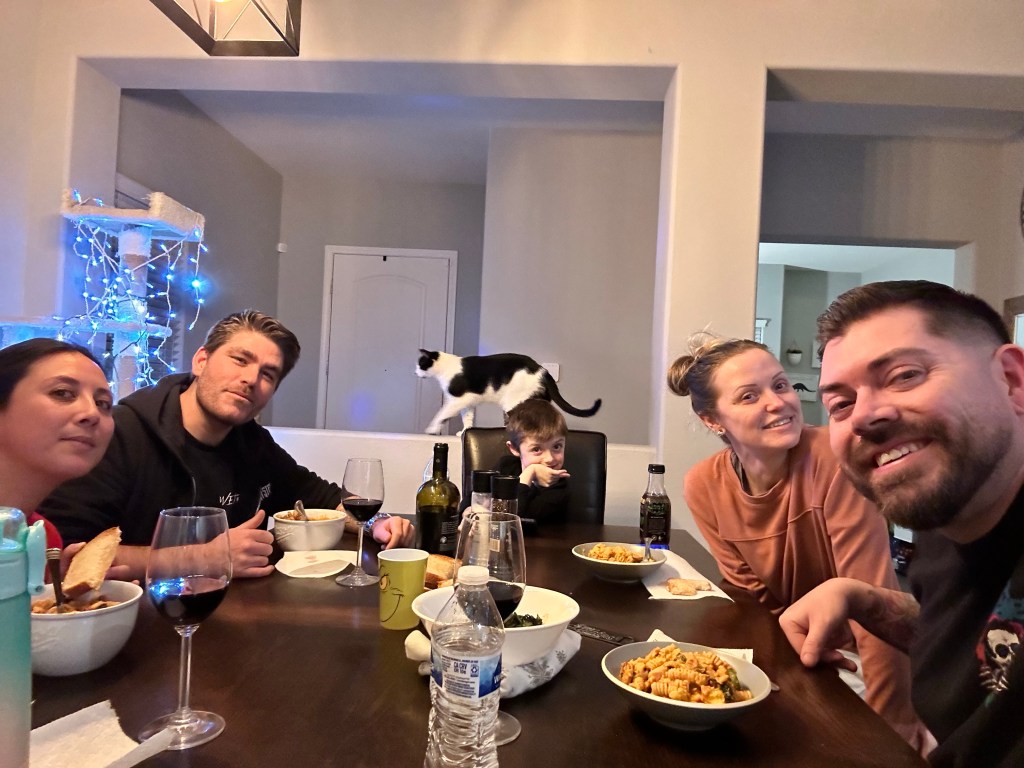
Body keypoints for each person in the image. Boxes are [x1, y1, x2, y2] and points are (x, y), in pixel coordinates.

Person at [778, 280, 1024, 767]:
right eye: (841, 404)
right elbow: (988, 635)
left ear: (1012, 381)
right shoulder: (946, 518)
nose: (865, 416)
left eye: (905, 375)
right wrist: (861, 599)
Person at [668, 333, 930, 753]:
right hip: (798, 653)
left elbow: (874, 602)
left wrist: (892, 725)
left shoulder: (834, 458)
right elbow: (753, 599)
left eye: (780, 385)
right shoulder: (703, 485)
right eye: (749, 396)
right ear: (712, 420)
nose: (777, 403)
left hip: (868, 657)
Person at [41, 309, 414, 580]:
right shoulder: (119, 435)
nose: (251, 379)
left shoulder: (252, 443)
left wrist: (376, 523)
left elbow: (321, 497)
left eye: (268, 374)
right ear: (201, 361)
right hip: (133, 628)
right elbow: (61, 557)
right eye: (240, 360)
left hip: (230, 623)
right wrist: (204, 557)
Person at [0, 338, 125, 577]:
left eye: (103, 404)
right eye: (62, 393)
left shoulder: (44, 539)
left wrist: (55, 592)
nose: (92, 413)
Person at [495, 398, 570, 526]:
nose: (550, 458)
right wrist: (469, 512)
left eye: (557, 446)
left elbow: (514, 521)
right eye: (536, 449)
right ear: (514, 449)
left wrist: (529, 473)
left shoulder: (559, 486)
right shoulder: (506, 466)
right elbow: (472, 499)